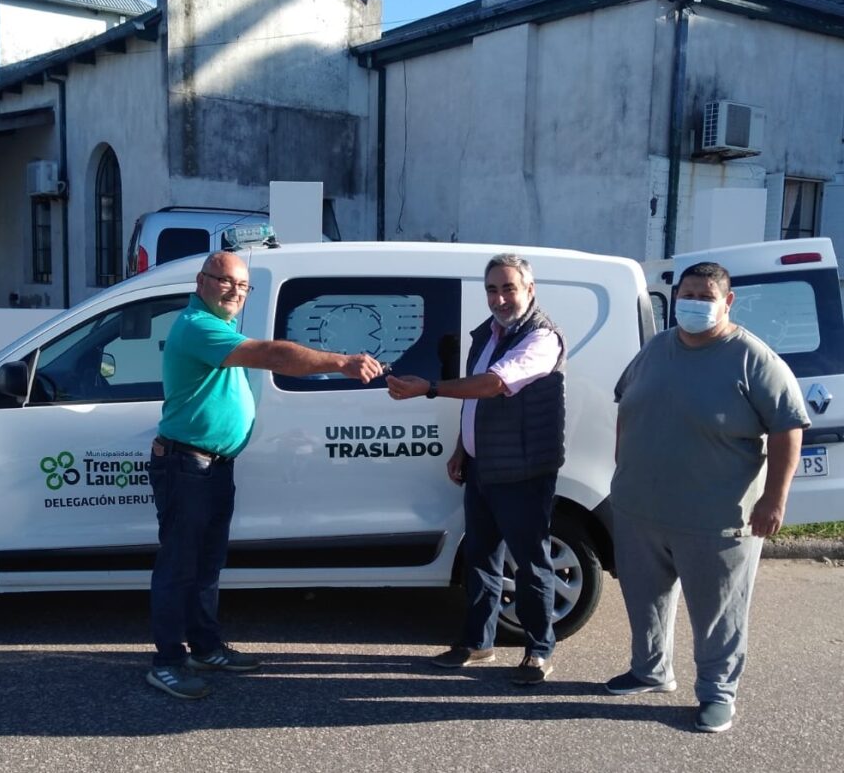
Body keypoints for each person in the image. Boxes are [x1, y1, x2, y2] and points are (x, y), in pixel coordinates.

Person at [147, 250, 383, 700]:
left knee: (206, 564)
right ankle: (167, 663)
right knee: (179, 566)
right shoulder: (198, 326)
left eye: (242, 285)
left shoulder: (218, 326)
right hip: (187, 465)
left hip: (211, 466)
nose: (234, 291)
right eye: (225, 281)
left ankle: (205, 648)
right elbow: (270, 354)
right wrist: (339, 362)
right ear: (201, 281)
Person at [604, 261, 810, 733]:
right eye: (687, 295)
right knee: (645, 600)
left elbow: (788, 429)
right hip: (640, 509)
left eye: (705, 296)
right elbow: (627, 402)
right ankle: (650, 670)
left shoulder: (753, 359)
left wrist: (774, 499)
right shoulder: (656, 348)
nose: (694, 303)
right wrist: (623, 461)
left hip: (715, 518)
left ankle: (718, 693)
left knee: (719, 613)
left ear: (727, 301)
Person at [386, 253, 565, 685]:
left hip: (522, 470)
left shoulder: (541, 338)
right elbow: (474, 401)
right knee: (480, 558)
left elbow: (494, 384)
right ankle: (477, 642)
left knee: (531, 563)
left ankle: (539, 650)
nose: (499, 298)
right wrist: (461, 449)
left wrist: (429, 388)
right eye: (492, 289)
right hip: (483, 465)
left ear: (530, 290)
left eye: (508, 288)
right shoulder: (487, 334)